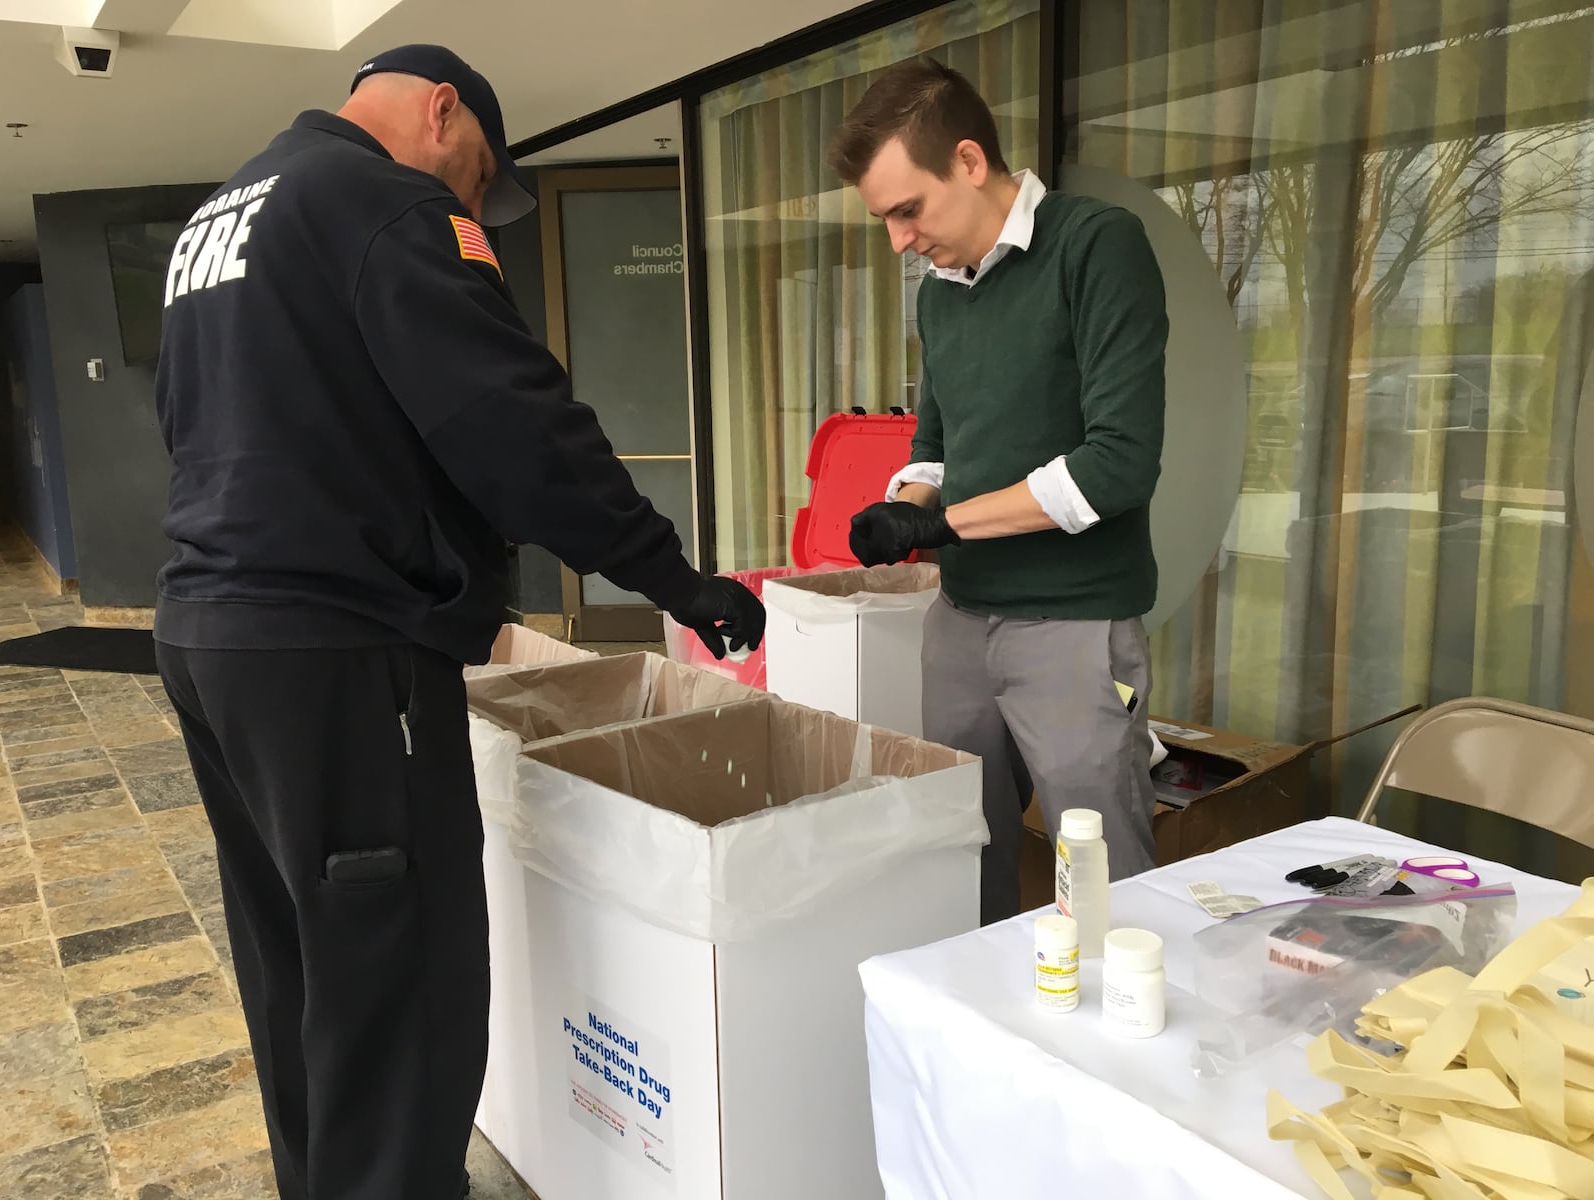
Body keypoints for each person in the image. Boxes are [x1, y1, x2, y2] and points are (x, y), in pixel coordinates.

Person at [153, 44, 763, 1200]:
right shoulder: (388, 207)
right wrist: (675, 580)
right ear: (440, 112)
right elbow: (516, 427)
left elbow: (195, 427)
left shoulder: (215, 223)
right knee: (403, 984)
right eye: (477, 175)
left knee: (298, 966)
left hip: (209, 640)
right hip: (337, 653)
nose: (471, 205)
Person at [829, 58, 1167, 924]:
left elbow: (1117, 464)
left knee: (1104, 889)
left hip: (1074, 628)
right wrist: (903, 500)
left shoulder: (1096, 247)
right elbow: (938, 445)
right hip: (959, 627)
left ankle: (1109, 1050)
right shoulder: (941, 295)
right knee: (956, 862)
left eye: (909, 210)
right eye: (885, 219)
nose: (899, 241)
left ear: (971, 162)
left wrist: (943, 530)